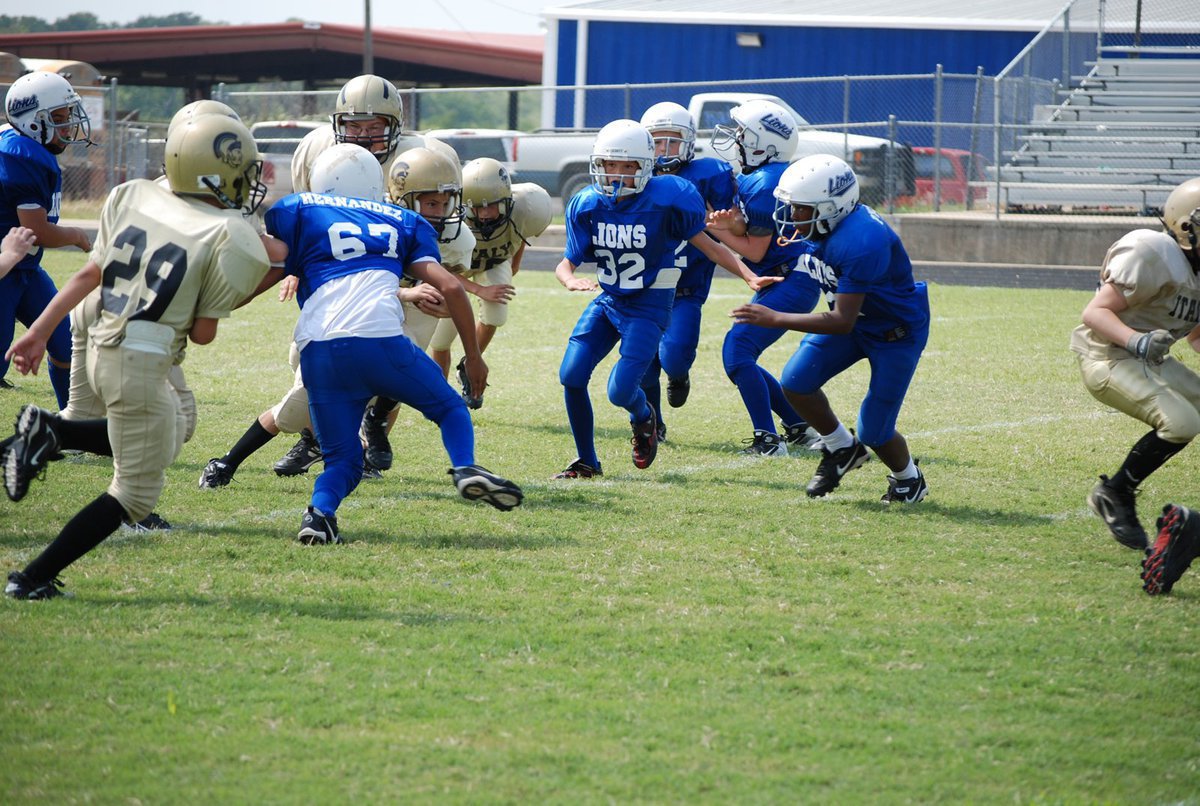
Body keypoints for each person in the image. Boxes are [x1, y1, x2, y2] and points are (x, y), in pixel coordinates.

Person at [2, 114, 272, 600]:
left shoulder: (136, 198)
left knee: (165, 435)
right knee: (134, 493)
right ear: (215, 174)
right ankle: (31, 577)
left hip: (105, 341)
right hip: (143, 360)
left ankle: (55, 431)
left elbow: (89, 275)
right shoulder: (227, 233)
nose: (247, 182)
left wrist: (40, 331)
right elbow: (205, 334)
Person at [261, 143, 522, 544]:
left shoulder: (298, 211)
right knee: (451, 408)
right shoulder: (402, 220)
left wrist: (212, 306)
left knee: (343, 462)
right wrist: (473, 357)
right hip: (380, 340)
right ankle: (466, 467)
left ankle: (319, 516)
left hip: (319, 350)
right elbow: (451, 286)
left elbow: (270, 268)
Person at [199, 145, 473, 486]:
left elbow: (448, 290)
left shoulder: (425, 230)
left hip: (366, 332)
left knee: (398, 363)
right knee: (295, 409)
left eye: (445, 202)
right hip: (330, 332)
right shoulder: (394, 222)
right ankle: (232, 462)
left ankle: (360, 432)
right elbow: (354, 278)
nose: (441, 210)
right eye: (431, 202)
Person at [554, 120, 777, 479]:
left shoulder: (668, 197)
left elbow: (711, 247)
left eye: (628, 167)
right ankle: (586, 461)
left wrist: (749, 276)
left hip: (649, 305)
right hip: (609, 301)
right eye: (610, 165)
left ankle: (644, 418)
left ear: (645, 167)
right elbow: (567, 262)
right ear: (598, 164)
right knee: (571, 375)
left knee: (619, 391)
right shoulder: (587, 203)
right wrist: (569, 280)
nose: (618, 175)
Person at [274, 74, 460, 474]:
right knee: (306, 364)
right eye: (353, 126)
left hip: (410, 276)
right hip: (339, 278)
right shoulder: (317, 148)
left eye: (374, 127)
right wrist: (294, 267)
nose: (362, 136)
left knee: (389, 363)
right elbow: (309, 216)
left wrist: (417, 285)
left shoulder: (425, 155)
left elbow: (440, 227)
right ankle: (314, 441)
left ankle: (374, 436)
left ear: (395, 125)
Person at [731, 154, 931, 503]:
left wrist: (774, 317)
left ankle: (909, 480)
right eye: (791, 207)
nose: (791, 216)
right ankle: (842, 450)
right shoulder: (823, 226)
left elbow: (841, 321)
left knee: (875, 429)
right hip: (858, 322)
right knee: (796, 381)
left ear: (833, 206)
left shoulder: (861, 240)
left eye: (800, 209)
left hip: (893, 333)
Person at [1072, 177, 1200, 551]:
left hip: (1152, 359)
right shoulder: (1154, 251)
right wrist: (1137, 340)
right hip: (1107, 357)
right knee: (1183, 422)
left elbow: (1194, 337)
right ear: (1185, 224)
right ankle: (1115, 492)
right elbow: (1094, 313)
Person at [707, 99, 822, 456]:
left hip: (790, 279)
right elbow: (759, 232)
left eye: (743, 134)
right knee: (742, 353)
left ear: (763, 143)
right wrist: (731, 225)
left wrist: (710, 229)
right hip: (790, 277)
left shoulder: (762, 182)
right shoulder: (769, 176)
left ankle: (768, 441)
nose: (737, 140)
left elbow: (755, 251)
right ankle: (800, 428)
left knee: (738, 351)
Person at [635, 101, 738, 443]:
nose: (663, 150)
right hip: (645, 285)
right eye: (657, 141)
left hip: (686, 285)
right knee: (644, 357)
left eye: (672, 142)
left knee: (675, 355)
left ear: (689, 142)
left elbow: (733, 224)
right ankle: (653, 423)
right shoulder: (635, 173)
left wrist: (722, 221)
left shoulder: (708, 174)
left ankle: (678, 376)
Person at [0, 71, 94, 402]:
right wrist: (76, 235)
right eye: (57, 117)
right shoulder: (19, 155)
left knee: (66, 342)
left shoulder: (28, 149)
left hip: (23, 269)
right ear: (31, 121)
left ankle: (72, 424)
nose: (67, 126)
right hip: (3, 271)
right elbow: (36, 231)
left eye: (68, 115)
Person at [429, 157, 552, 408]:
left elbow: (522, 233)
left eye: (492, 206)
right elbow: (438, 269)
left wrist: (514, 263)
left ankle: (468, 365)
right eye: (478, 207)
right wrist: (479, 290)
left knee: (496, 314)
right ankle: (442, 398)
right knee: (441, 341)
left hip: (492, 262)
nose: (485, 214)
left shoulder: (527, 207)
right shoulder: (450, 219)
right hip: (454, 270)